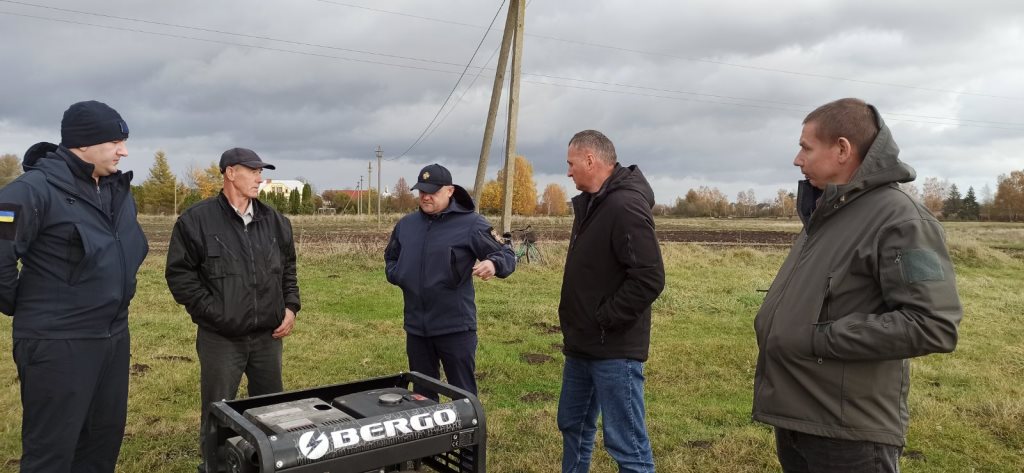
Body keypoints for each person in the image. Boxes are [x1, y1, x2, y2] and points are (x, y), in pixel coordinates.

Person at [752, 98, 963, 473]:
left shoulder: (901, 219)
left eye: (805, 147)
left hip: (849, 434)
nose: (797, 159)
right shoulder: (829, 212)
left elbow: (933, 324)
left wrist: (817, 338)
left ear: (842, 149)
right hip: (802, 418)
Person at [0, 100, 148, 472]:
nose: (124, 151)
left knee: (101, 445)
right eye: (115, 141)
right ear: (82, 143)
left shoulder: (116, 190)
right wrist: (21, 301)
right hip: (58, 341)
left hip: (113, 337)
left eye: (124, 141)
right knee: (53, 452)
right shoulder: (31, 190)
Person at [165, 147, 300, 471]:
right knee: (218, 411)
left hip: (268, 336)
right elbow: (180, 276)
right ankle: (216, 466)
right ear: (229, 172)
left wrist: (291, 307)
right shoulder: (196, 220)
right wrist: (215, 314)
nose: (259, 177)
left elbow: (289, 269)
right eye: (252, 170)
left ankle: (266, 463)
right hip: (220, 338)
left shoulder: (276, 221)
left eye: (261, 171)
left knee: (271, 408)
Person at [557, 130, 665, 473]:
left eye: (571, 164)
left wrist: (605, 318)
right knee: (573, 425)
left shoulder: (624, 204)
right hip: (582, 345)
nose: (569, 172)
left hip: (613, 348)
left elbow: (649, 277)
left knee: (626, 443)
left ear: (591, 160)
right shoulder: (593, 203)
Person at [384, 163, 515, 398]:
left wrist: (493, 264)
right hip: (417, 328)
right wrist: (398, 274)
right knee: (422, 396)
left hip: (455, 328)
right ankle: (431, 435)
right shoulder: (406, 225)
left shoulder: (471, 224)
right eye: (422, 191)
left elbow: (506, 254)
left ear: (450, 191)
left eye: (432, 191)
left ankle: (468, 436)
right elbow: (391, 257)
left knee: (462, 396)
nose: (425, 197)